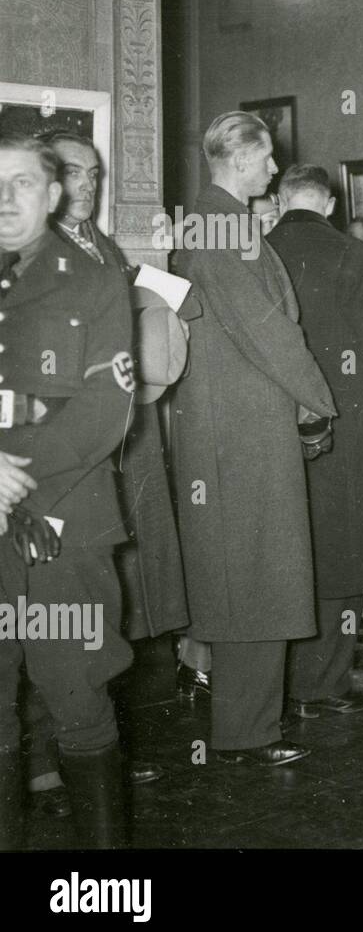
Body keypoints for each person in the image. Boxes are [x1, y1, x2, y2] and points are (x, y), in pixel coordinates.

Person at [19, 131, 183, 815]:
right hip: (45, 480)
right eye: (73, 173)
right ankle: (44, 768)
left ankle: (89, 754)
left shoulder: (103, 249)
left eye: (95, 173)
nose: (88, 184)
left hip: (106, 464)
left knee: (96, 626)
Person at [170, 112, 336, 766]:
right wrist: (317, 399)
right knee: (253, 575)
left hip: (235, 425)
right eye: (266, 159)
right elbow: (269, 329)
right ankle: (245, 729)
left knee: (251, 573)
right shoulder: (224, 226)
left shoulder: (213, 221)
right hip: (241, 430)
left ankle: (250, 721)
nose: (273, 170)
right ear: (239, 160)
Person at [0, 133, 136, 847]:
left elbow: (106, 409)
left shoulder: (94, 281)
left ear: (53, 194)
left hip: (64, 523)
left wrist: (17, 477)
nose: (4, 199)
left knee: (79, 696)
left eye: (21, 182)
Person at [267, 166, 363, 718]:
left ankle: (287, 680)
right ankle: (324, 684)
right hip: (347, 422)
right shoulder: (350, 254)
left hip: (281, 420)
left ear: (280, 202)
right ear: (328, 205)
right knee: (348, 553)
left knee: (295, 550)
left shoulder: (259, 250)